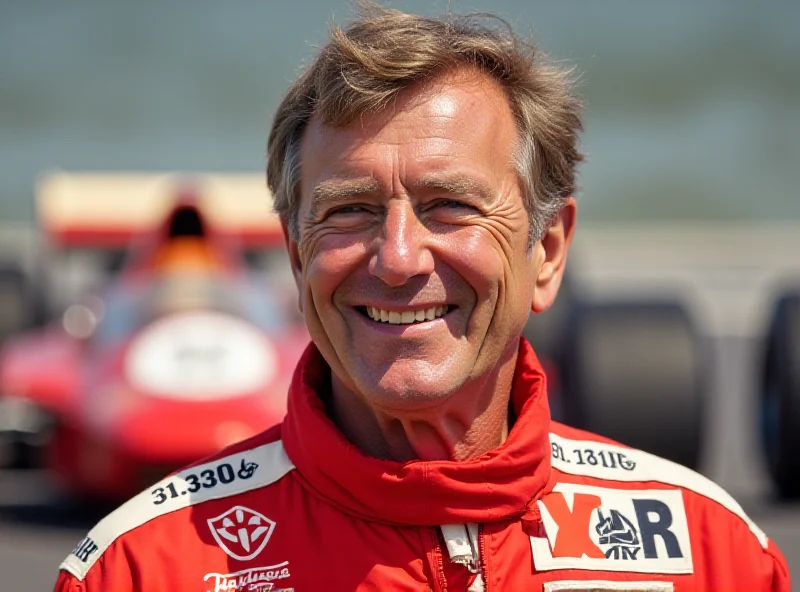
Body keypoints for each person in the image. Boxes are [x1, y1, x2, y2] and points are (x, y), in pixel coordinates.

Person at [55, 3, 790, 591]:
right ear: (293, 251)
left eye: (451, 207)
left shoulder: (709, 554)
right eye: (349, 210)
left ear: (549, 252)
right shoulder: (138, 569)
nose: (399, 258)